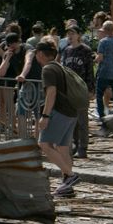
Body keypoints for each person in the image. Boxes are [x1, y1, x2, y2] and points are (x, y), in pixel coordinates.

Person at [35, 38, 82, 197]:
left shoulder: (48, 69)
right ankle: (67, 187)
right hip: (71, 112)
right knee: (62, 148)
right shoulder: (59, 67)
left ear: (40, 54)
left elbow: (51, 92)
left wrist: (45, 116)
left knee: (44, 144)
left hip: (59, 112)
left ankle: (70, 175)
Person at [60, 26, 94, 158]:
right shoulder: (66, 51)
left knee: (82, 120)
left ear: (78, 35)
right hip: (69, 89)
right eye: (68, 33)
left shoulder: (85, 50)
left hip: (81, 88)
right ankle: (74, 143)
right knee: (71, 119)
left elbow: (90, 70)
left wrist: (91, 89)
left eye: (72, 33)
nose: (70, 36)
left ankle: (83, 146)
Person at [94, 21, 113, 121]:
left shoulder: (103, 42)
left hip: (104, 73)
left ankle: (102, 116)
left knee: (99, 95)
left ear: (105, 30)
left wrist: (94, 59)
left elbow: (100, 58)